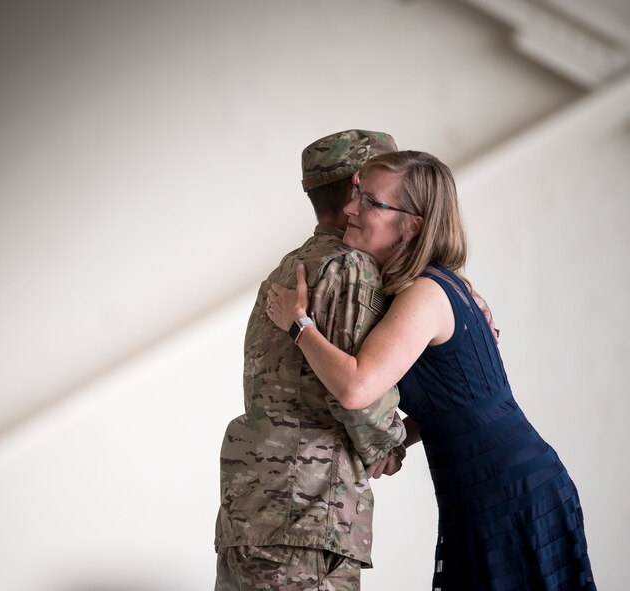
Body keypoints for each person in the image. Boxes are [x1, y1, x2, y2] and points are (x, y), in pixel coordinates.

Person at [267, 150, 596, 590]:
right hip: (485, 490)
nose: (351, 207)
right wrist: (395, 440)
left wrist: (299, 324)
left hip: (507, 491)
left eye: (370, 201)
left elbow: (355, 388)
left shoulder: (425, 294)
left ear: (412, 225)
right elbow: (451, 404)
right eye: (357, 195)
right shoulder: (435, 286)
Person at [215, 129, 409, 591]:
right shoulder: (349, 267)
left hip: (251, 506)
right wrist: (388, 445)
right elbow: (354, 388)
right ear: (361, 184)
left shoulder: (287, 266)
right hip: (307, 510)